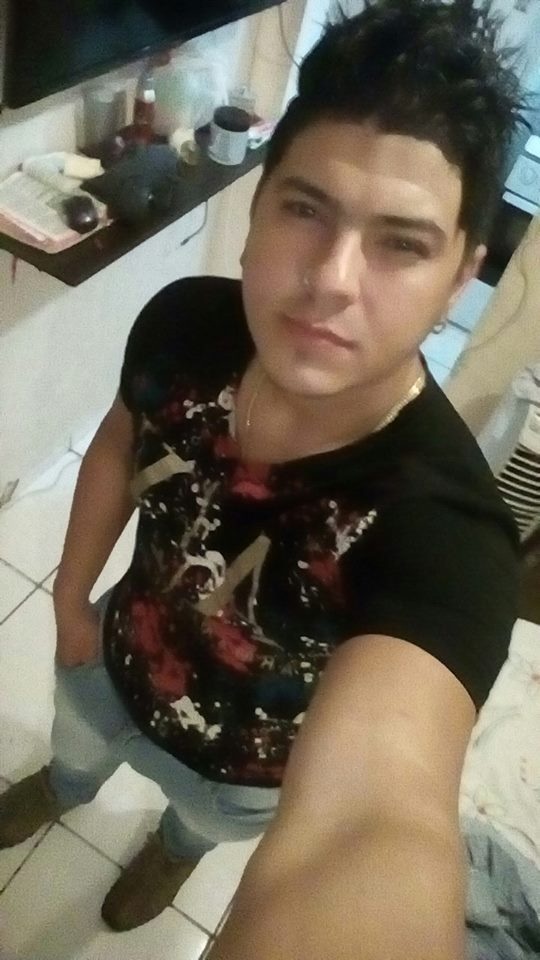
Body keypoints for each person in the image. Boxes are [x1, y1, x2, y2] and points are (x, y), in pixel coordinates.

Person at [0, 0, 528, 955]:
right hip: (108, 662)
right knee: (74, 761)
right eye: (305, 209)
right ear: (257, 205)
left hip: (242, 777)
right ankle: (65, 789)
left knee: (194, 828)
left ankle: (172, 854)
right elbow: (120, 441)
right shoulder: (183, 324)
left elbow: (377, 823)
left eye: (402, 243)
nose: (331, 278)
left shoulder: (448, 539)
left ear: (461, 277)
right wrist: (73, 600)